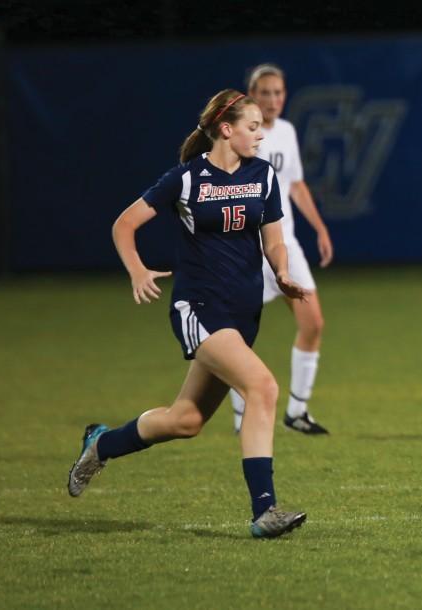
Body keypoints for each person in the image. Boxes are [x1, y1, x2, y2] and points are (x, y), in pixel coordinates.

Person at [67, 89, 310, 539]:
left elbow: (274, 239)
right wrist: (137, 269)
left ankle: (100, 444)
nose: (261, 136)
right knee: (263, 387)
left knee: (186, 421)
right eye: (253, 127)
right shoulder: (186, 179)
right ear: (226, 129)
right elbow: (124, 223)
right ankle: (264, 510)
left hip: (243, 314)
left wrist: (281, 270)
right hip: (199, 307)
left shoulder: (263, 175)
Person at [229, 63, 334, 436]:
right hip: (250, 248)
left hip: (286, 243)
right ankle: (241, 415)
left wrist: (320, 228)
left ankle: (297, 412)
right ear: (251, 96)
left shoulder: (287, 132)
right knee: (238, 334)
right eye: (265, 93)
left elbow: (296, 185)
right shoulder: (242, 135)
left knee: (313, 323)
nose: (273, 100)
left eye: (279, 93)